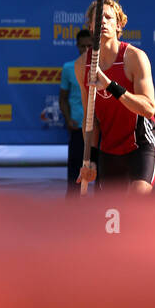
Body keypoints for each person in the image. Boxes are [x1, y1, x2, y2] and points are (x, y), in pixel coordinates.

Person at [75, 0, 155, 194]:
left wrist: (110, 85)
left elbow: (148, 108)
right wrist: (90, 160)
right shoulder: (81, 66)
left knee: (136, 204)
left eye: (108, 17)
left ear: (118, 24)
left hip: (141, 144)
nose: (103, 22)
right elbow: (90, 120)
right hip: (109, 149)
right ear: (90, 26)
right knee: (112, 216)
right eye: (98, 19)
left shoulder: (134, 57)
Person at [60, 29, 96, 196]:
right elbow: (63, 99)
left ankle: (104, 207)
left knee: (102, 173)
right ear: (77, 46)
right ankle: (73, 211)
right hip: (77, 129)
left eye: (90, 46)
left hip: (98, 130)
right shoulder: (68, 68)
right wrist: (68, 120)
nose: (86, 50)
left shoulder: (103, 68)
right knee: (75, 175)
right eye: (83, 46)